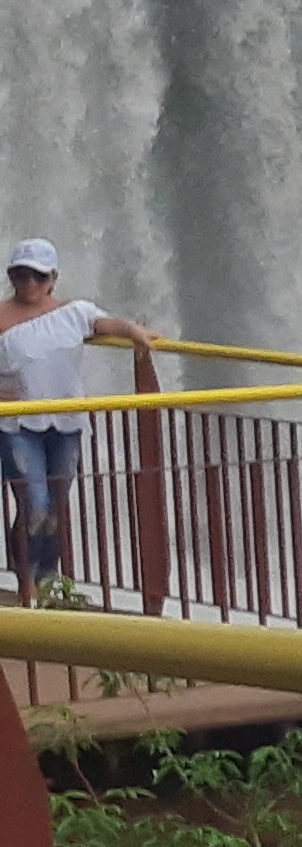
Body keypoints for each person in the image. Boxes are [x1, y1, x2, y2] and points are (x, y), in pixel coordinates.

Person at [0, 248, 153, 606]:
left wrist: (134, 331)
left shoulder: (75, 312)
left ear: (53, 279)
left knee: (55, 507)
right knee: (35, 504)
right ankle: (26, 584)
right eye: (21, 275)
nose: (30, 282)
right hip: (16, 424)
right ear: (11, 277)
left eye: (39, 275)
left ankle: (47, 582)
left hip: (67, 422)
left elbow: (106, 324)